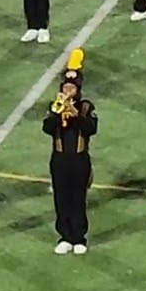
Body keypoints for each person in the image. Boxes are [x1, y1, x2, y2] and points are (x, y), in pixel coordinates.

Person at [42, 48, 96, 255]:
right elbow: (47, 128)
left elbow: (91, 129)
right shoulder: (54, 106)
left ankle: (79, 237)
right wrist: (58, 113)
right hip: (59, 159)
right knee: (61, 198)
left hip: (80, 159)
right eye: (65, 87)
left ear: (78, 89)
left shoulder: (86, 107)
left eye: (71, 88)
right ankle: (64, 235)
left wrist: (75, 115)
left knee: (78, 198)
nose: (68, 91)